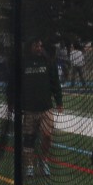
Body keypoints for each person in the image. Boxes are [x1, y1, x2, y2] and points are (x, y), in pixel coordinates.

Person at [21, 39, 63, 175]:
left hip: (46, 107)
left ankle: (43, 161)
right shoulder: (23, 63)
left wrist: (59, 101)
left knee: (47, 135)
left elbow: (55, 82)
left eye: (40, 45)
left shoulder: (48, 62)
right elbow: (16, 84)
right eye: (36, 45)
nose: (39, 48)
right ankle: (29, 165)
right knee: (29, 138)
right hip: (29, 109)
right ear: (30, 46)